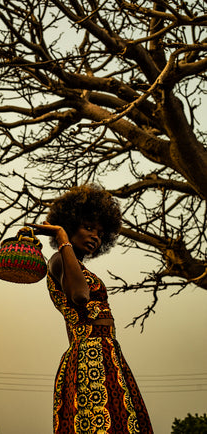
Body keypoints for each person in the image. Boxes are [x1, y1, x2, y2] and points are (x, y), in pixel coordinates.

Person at [28, 184, 153, 434]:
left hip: (106, 352)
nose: (96, 236)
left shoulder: (77, 266)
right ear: (70, 225)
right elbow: (80, 295)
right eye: (88, 227)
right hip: (90, 356)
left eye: (100, 232)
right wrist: (62, 240)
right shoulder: (58, 260)